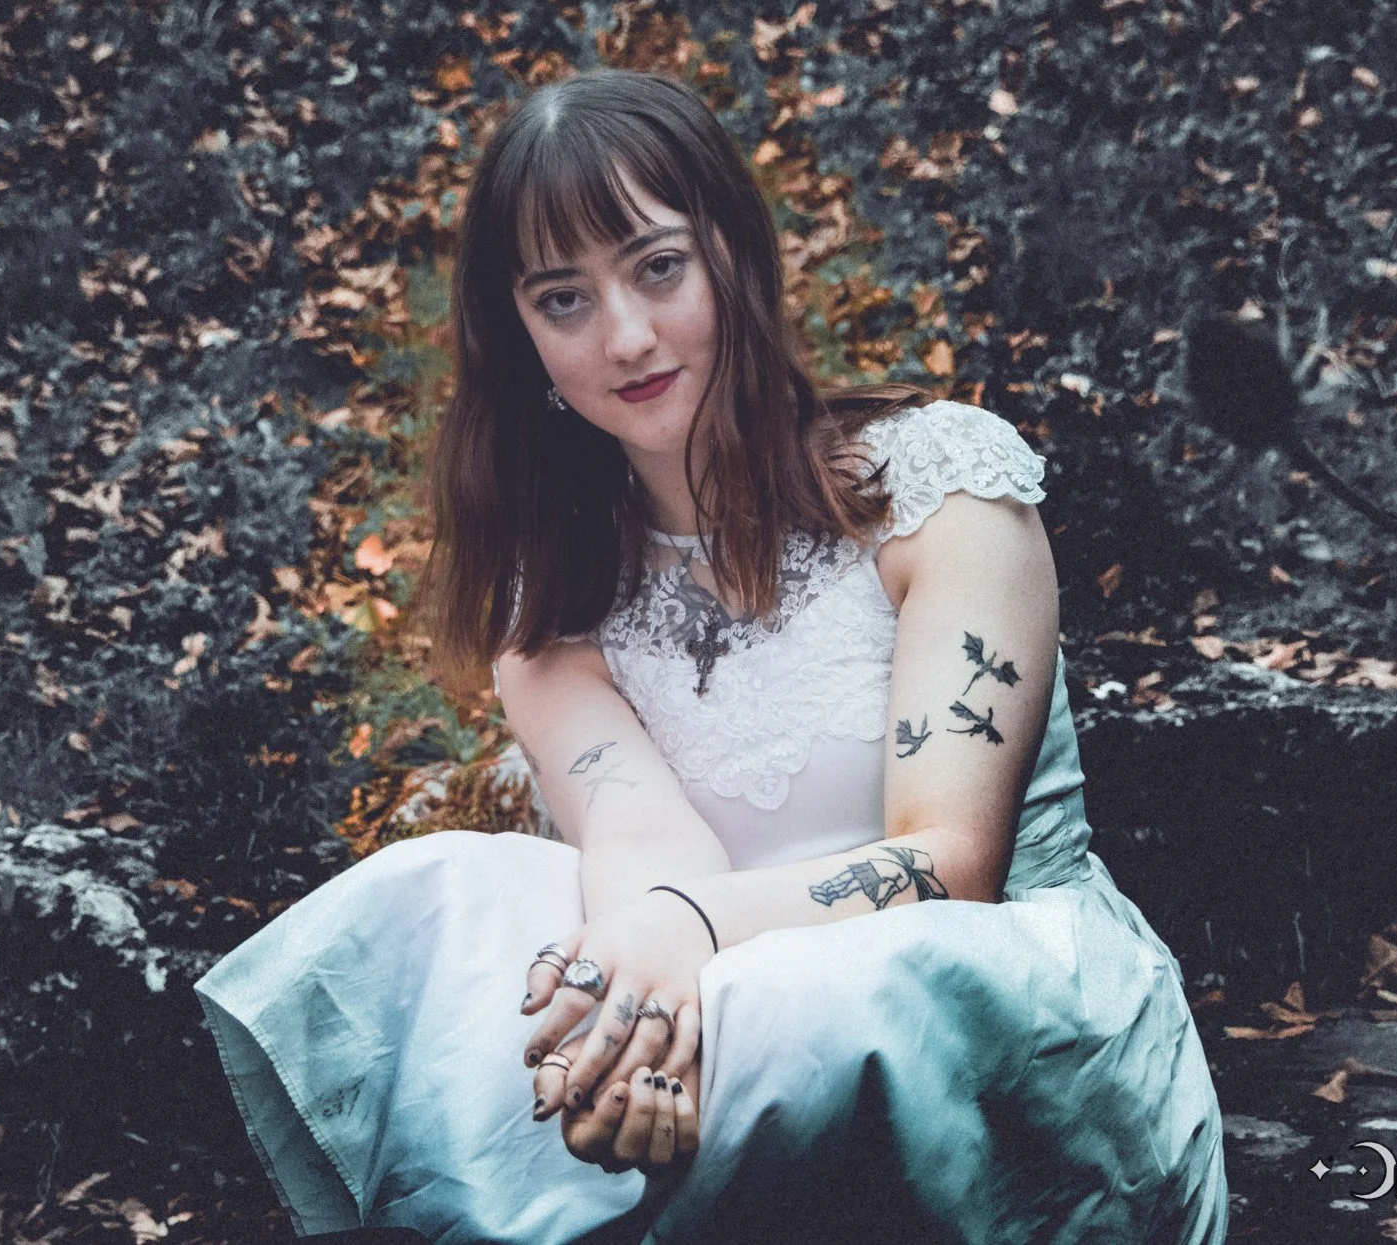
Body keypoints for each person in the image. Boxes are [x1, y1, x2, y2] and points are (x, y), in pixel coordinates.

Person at [194, 67, 1228, 1243]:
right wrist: (637, 1015)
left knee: (784, 1003)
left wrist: (688, 937)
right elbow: (639, 840)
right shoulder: (555, 598)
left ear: (735, 255)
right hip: (727, 980)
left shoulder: (938, 489)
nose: (625, 336)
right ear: (520, 337)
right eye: (562, 299)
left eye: (657, 267)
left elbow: (950, 861)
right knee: (435, 898)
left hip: (996, 1020)